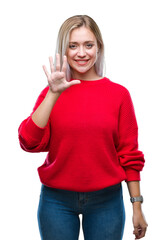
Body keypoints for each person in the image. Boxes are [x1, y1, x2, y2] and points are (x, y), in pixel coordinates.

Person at [18, 15, 148, 240]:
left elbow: (129, 154)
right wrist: (53, 93)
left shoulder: (119, 95)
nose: (81, 53)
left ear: (99, 48)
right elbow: (28, 142)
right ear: (64, 50)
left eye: (88, 45)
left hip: (106, 201)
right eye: (73, 45)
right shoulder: (52, 93)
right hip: (56, 200)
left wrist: (136, 205)